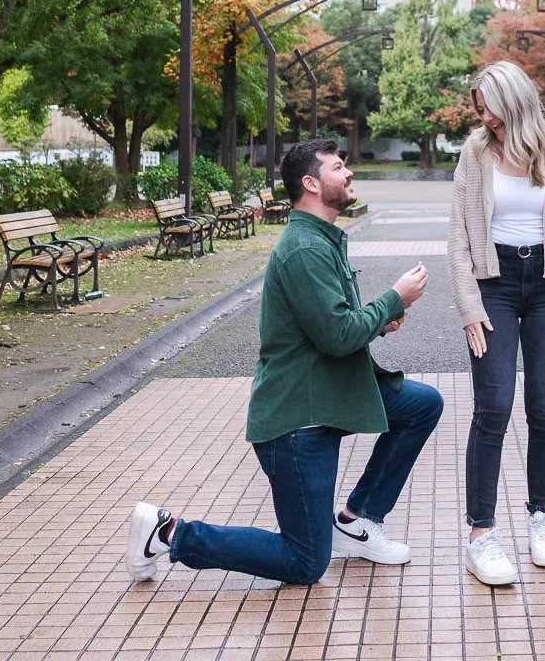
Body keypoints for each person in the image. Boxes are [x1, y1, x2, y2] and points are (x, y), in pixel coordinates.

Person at [125, 139, 443, 585]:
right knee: (305, 561)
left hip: (328, 396)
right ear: (311, 184)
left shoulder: (322, 239)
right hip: (297, 419)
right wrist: (394, 299)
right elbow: (337, 337)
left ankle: (357, 521)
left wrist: (378, 322)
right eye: (338, 167)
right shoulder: (305, 249)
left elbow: (336, 323)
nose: (349, 173)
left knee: (421, 404)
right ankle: (169, 533)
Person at [447, 60, 545, 586]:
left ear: (513, 101)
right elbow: (459, 237)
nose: (483, 116)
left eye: (488, 107)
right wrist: (469, 306)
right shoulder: (475, 151)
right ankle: (481, 535)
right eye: (479, 109)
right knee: (493, 407)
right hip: (494, 284)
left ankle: (542, 517)